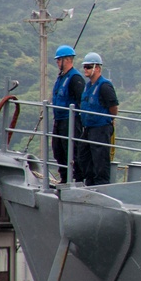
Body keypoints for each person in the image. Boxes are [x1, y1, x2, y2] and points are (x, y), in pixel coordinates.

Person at [76, 52, 119, 186]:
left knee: (100, 160)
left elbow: (113, 108)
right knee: (84, 157)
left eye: (89, 67)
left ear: (98, 68)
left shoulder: (105, 86)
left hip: (100, 129)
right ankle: (89, 184)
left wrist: (107, 120)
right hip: (88, 128)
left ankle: (101, 186)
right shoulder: (88, 86)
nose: (86, 70)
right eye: (85, 67)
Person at [50, 44, 85, 184]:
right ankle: (64, 177)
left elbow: (81, 100)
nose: (57, 62)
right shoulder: (61, 77)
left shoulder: (75, 78)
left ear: (67, 60)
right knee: (58, 149)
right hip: (59, 119)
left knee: (72, 150)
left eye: (59, 60)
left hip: (70, 121)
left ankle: (77, 178)